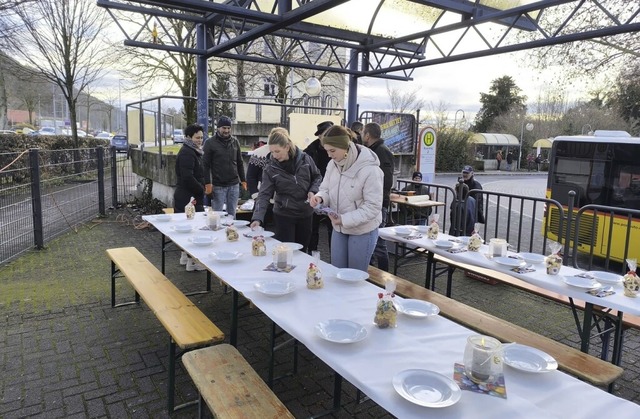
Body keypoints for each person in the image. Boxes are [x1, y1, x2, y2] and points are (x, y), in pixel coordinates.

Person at [308, 125, 383, 272]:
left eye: (333, 150)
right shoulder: (333, 164)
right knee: (337, 273)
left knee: (354, 276)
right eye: (327, 151)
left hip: (362, 230)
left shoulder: (370, 170)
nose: (329, 155)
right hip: (339, 228)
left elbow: (373, 207)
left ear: (345, 146)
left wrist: (344, 219)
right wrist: (320, 198)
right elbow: (325, 189)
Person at [250, 128, 322, 251]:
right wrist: (257, 218)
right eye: (272, 152)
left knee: (302, 252)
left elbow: (317, 177)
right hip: (284, 214)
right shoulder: (270, 168)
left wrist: (313, 191)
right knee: (285, 252)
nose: (274, 155)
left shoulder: (306, 159)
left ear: (287, 147)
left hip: (306, 213)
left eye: (277, 151)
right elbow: (264, 194)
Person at [173, 123, 206, 271]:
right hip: (189, 196)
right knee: (193, 228)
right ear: (188, 137)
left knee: (186, 228)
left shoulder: (192, 151)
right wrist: (201, 189)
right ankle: (192, 261)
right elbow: (187, 176)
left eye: (201, 137)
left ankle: (185, 257)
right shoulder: (188, 152)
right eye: (197, 137)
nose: (200, 140)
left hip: (187, 195)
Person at [362, 122, 393, 272]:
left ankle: (384, 276)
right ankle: (371, 272)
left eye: (363, 133)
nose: (361, 135)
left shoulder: (381, 151)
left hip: (379, 205)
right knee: (371, 243)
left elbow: (386, 181)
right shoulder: (373, 150)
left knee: (379, 243)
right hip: (374, 203)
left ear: (367, 135)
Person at [203, 116, 247, 218]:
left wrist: (243, 180)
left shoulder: (235, 142)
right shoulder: (209, 143)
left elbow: (240, 162)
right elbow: (205, 165)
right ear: (218, 128)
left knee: (232, 213)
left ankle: (231, 232)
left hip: (234, 184)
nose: (226, 130)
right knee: (216, 214)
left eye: (228, 128)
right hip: (218, 185)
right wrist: (208, 183)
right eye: (224, 128)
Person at [304, 120, 334, 252]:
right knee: (313, 228)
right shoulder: (310, 151)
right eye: (325, 135)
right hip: (316, 193)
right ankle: (312, 257)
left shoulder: (339, 150)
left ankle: (335, 257)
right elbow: (306, 174)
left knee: (333, 228)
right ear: (319, 136)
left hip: (334, 193)